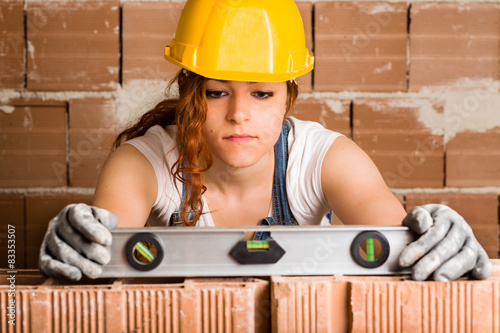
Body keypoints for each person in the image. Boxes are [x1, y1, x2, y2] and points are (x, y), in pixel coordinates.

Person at [39, 0, 491, 282]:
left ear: (287, 98)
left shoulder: (326, 159)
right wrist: (82, 242)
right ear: (189, 93)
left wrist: (434, 240)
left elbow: (399, 251)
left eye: (262, 93)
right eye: (217, 92)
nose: (239, 113)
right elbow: (104, 247)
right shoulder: (143, 161)